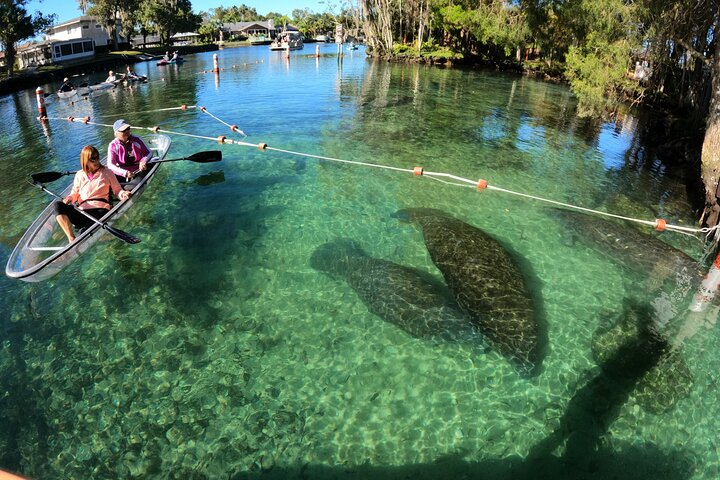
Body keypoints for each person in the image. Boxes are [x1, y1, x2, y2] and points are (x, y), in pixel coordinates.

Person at [55, 146, 131, 243]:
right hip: (82, 211)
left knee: (83, 233)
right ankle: (71, 238)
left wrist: (123, 194)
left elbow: (117, 190)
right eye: (92, 159)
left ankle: (81, 237)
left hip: (100, 210)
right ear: (85, 160)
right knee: (57, 205)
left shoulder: (107, 172)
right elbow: (74, 193)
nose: (97, 161)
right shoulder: (79, 174)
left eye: (97, 157)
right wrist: (70, 198)